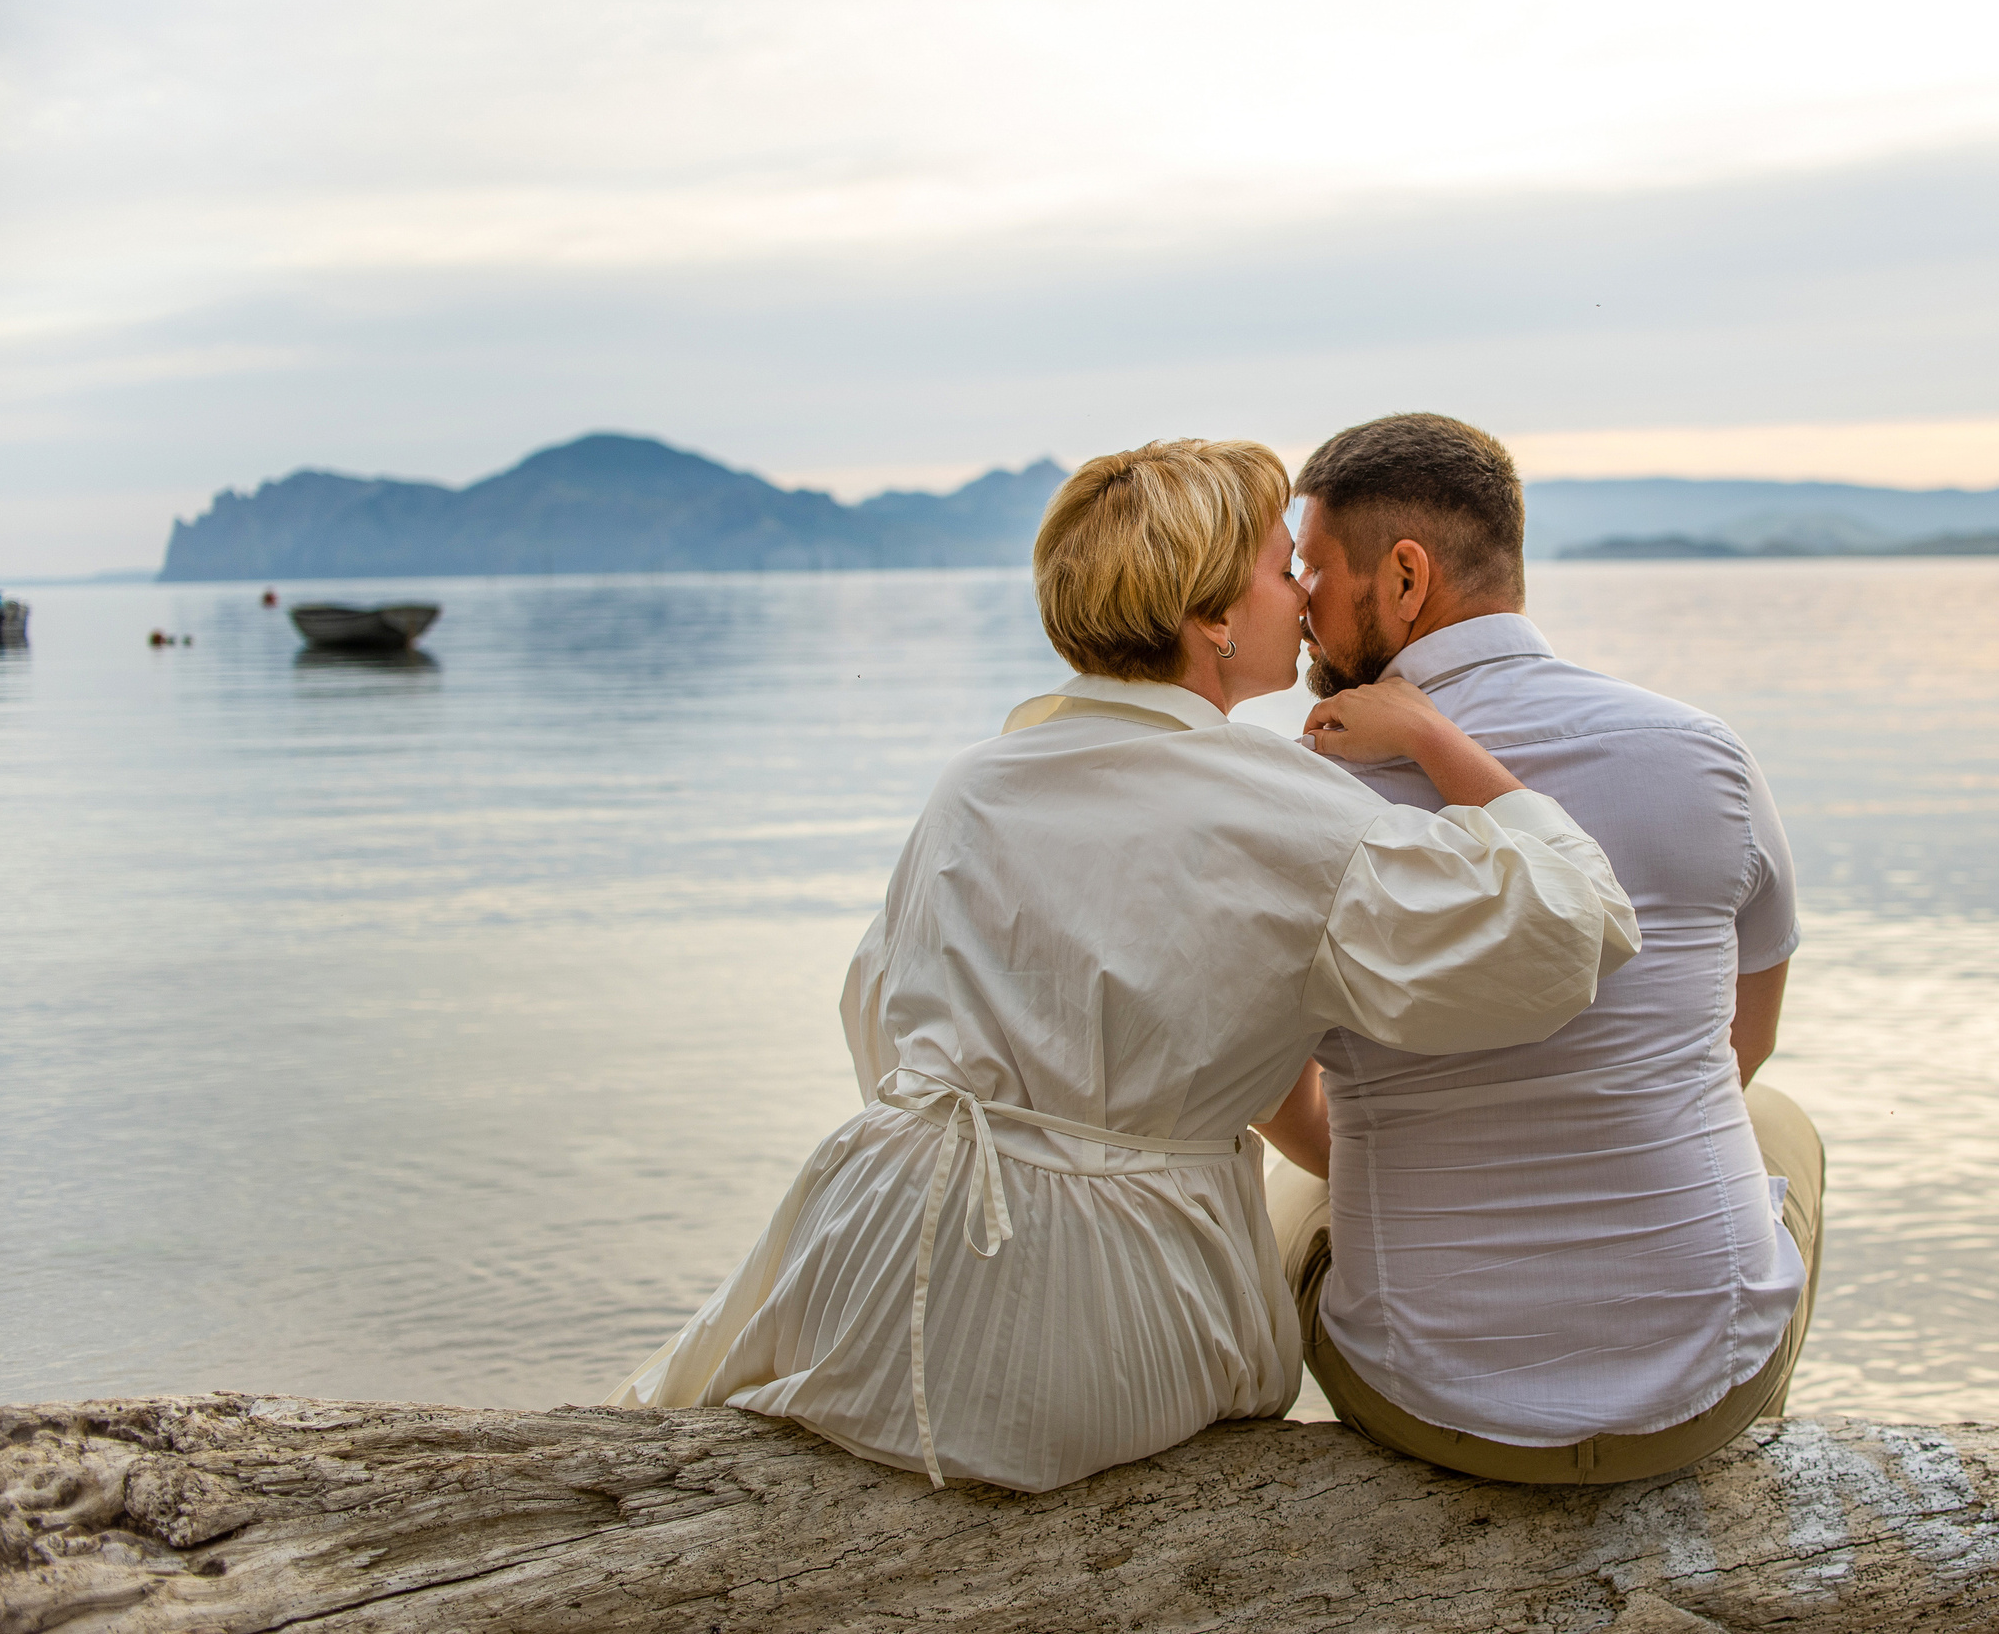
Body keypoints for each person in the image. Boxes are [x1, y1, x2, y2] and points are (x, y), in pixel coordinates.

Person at [606, 438, 1638, 1494]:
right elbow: (1575, 925)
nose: (1304, 594)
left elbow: (876, 1016)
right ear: (1214, 618)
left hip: (868, 1250)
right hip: (1113, 1305)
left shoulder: (975, 781)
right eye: (1284, 569)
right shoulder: (1285, 807)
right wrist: (1432, 737)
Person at [1260, 411, 1819, 1485]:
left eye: (1316, 571)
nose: (1303, 611)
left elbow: (1287, 1107)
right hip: (1704, 1394)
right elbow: (1743, 1040)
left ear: (1406, 576)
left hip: (1423, 1400)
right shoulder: (1702, 751)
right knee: (1774, 1124)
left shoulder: (1300, 800)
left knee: (1300, 1181)